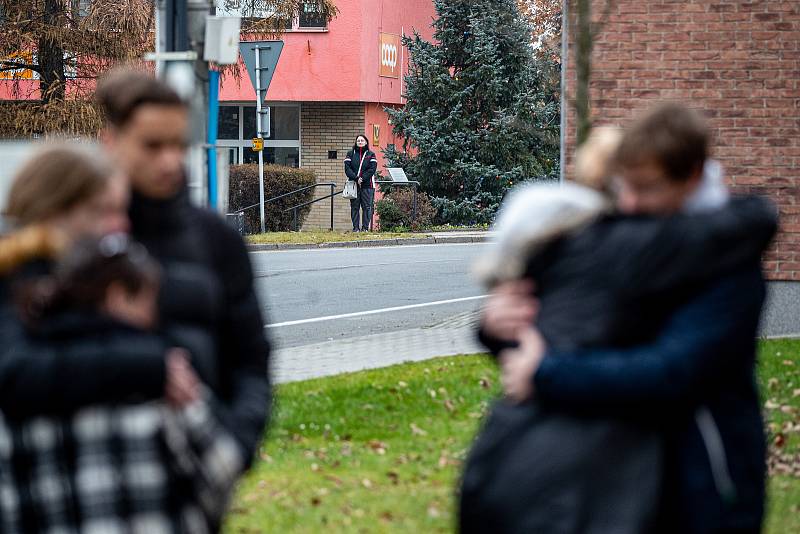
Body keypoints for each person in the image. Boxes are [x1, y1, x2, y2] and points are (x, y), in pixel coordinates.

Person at [464, 104, 776, 534]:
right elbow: (577, 319)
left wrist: (547, 373)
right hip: (625, 475)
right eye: (622, 187)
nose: (629, 203)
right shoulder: (630, 238)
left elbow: (674, 372)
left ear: (692, 177)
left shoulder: (728, 264)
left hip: (702, 479)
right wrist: (498, 324)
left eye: (646, 188)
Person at [0, 234, 241, 533]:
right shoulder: (163, 378)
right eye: (148, 301)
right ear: (118, 297)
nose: (153, 316)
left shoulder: (22, 388)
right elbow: (222, 468)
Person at [94, 69, 271, 472]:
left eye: (178, 144)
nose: (170, 160)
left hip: (197, 468)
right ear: (112, 142)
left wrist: (235, 446)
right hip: (100, 471)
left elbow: (251, 360)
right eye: (152, 146)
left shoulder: (217, 240)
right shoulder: (76, 235)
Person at [344, 135, 378, 232]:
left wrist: (362, 178)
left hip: (367, 185)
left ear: (366, 142)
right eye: (358, 140)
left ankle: (365, 228)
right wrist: (356, 178)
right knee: (354, 207)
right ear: (355, 142)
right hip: (354, 185)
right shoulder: (350, 154)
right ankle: (355, 228)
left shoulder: (371, 154)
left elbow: (372, 169)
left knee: (367, 207)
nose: (360, 142)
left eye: (362, 140)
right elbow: (347, 168)